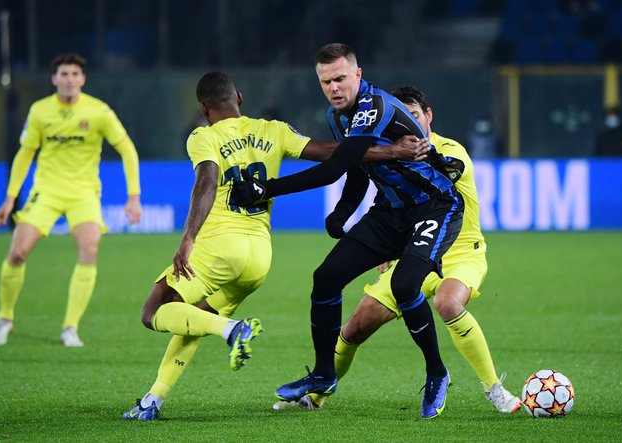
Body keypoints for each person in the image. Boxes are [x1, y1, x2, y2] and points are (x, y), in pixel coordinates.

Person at [121, 71, 426, 421]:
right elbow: (333, 153)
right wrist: (391, 150)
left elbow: (206, 181)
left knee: (154, 312)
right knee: (196, 317)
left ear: (204, 108)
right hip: (259, 257)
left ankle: (232, 329)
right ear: (240, 98)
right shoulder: (273, 129)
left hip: (220, 246)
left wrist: (188, 237)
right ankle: (153, 400)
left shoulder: (203, 136)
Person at [232, 43, 465, 419]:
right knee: (326, 278)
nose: (333, 88)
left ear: (358, 74)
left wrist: (267, 187)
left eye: (340, 78)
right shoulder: (338, 115)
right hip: (389, 212)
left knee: (405, 286)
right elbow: (357, 168)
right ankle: (324, 373)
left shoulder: (375, 106)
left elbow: (334, 167)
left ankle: (437, 373)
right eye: (326, 81)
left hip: (435, 207)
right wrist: (343, 211)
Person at [273, 86, 522, 414]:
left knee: (447, 303)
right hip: (410, 250)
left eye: (415, 116)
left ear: (428, 115)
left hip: (460, 254)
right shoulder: (389, 151)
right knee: (355, 327)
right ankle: (316, 396)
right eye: (402, 119)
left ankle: (495, 389)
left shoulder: (450, 150)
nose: (409, 125)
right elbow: (370, 183)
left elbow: (450, 172)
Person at [0, 53, 142, 347]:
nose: (69, 79)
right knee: (18, 253)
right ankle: (5, 318)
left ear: (82, 79)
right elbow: (25, 154)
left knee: (89, 250)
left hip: (84, 193)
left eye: (74, 74)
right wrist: (10, 199)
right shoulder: (40, 111)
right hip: (45, 191)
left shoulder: (98, 112)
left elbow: (127, 150)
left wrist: (133, 196)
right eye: (64, 74)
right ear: (54, 79)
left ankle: (70, 328)